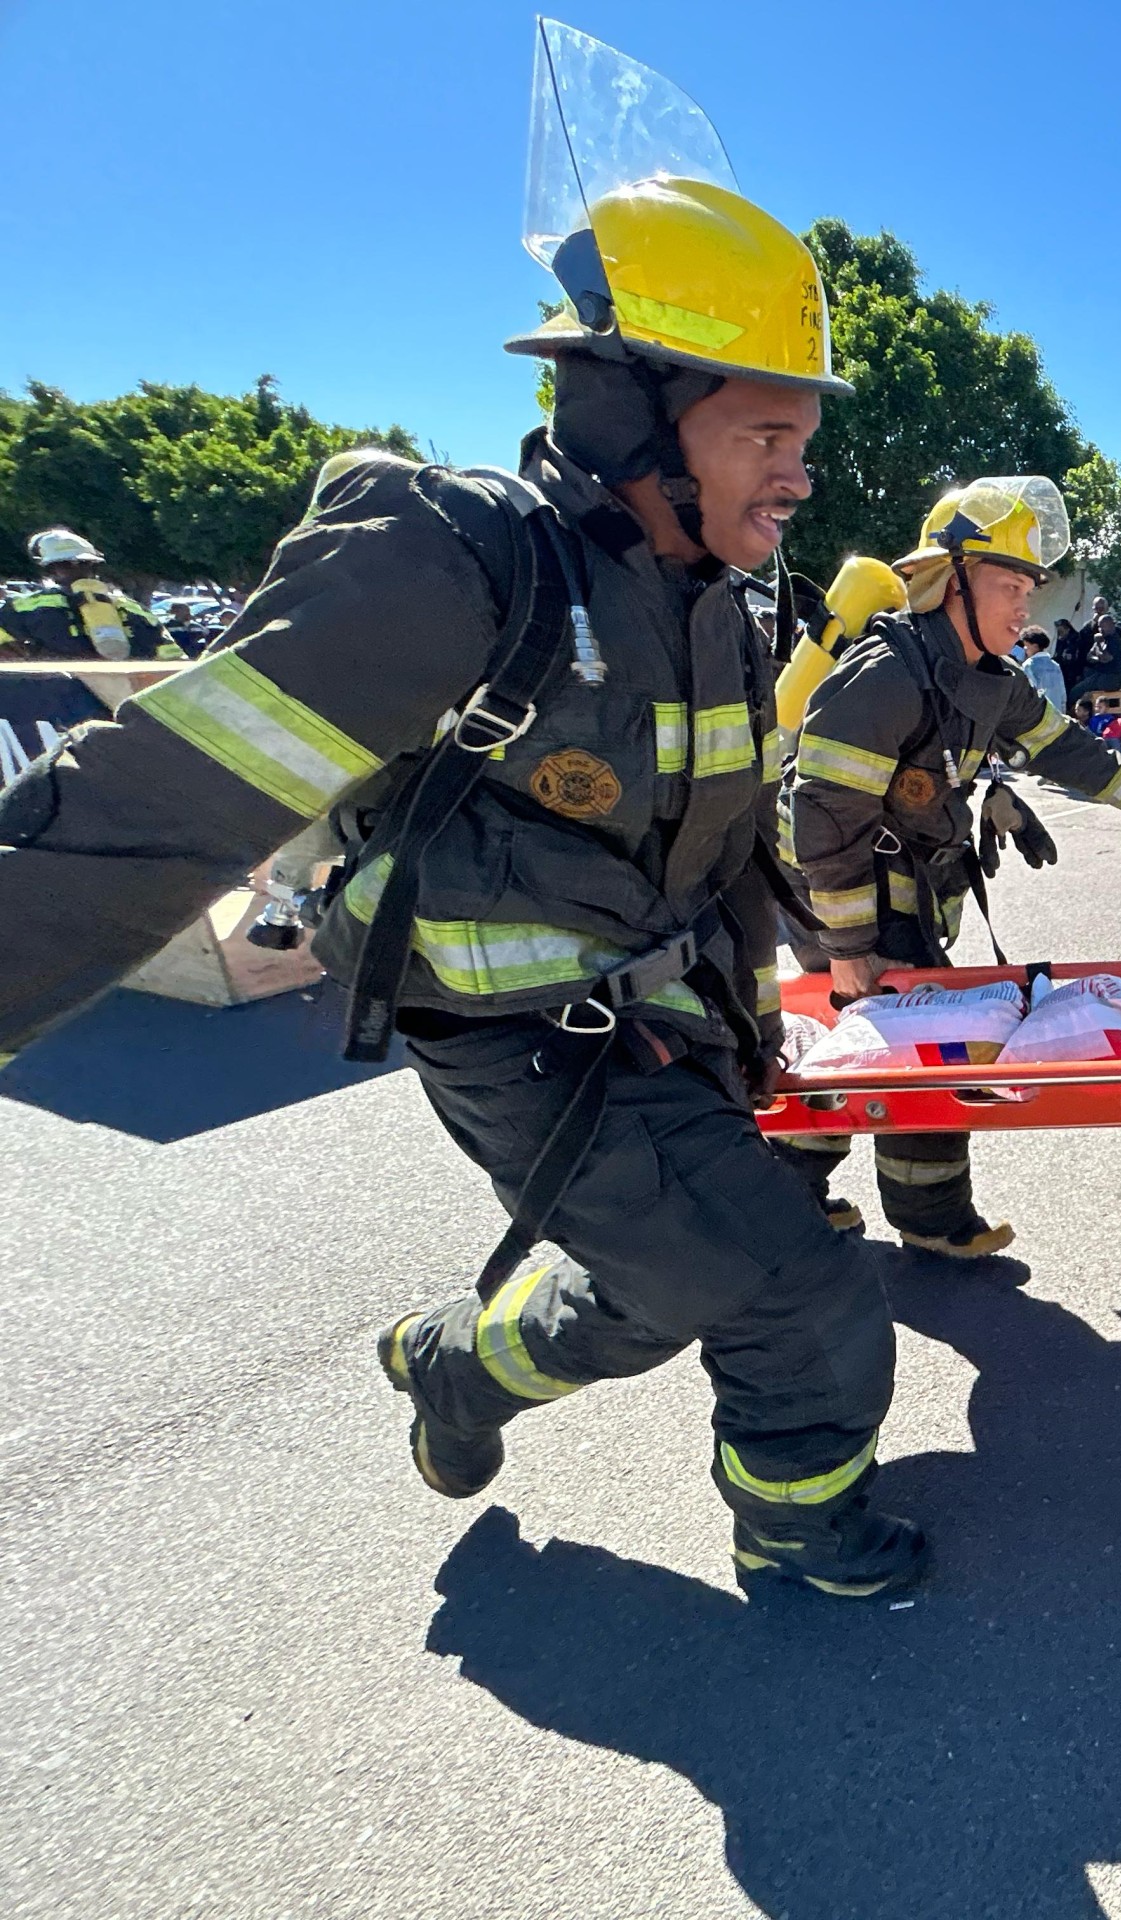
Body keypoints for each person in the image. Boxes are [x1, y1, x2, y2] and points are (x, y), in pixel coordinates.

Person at [0, 78, 935, 1601]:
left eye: (803, 434)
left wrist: (814, 997)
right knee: (798, 1290)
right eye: (769, 428)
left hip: (670, 1025)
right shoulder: (455, 562)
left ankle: (454, 1366)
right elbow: (153, 806)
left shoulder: (713, 599)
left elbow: (721, 850)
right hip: (524, 1047)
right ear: (632, 411)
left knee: (665, 1283)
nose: (802, 469)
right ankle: (799, 1530)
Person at [787, 476, 1121, 1255]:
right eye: (1009, 585)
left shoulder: (989, 680)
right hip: (830, 885)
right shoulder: (886, 673)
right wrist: (846, 948)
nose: (1023, 607)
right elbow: (824, 816)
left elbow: (1058, 742)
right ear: (952, 582)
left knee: (884, 1039)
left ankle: (799, 1194)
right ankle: (910, 1216)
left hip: (894, 880)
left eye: (1027, 588)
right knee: (915, 1037)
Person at [1, 529, 179, 662]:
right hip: (122, 700)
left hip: (54, 701)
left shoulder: (23, 609)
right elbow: (173, 660)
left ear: (50, 569)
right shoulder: (134, 610)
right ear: (93, 566)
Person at [1017, 624, 1068, 709]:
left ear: (1035, 646)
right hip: (1056, 712)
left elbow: (1027, 694)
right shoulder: (1055, 665)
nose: (1025, 649)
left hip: (1038, 712)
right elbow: (1062, 694)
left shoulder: (1029, 665)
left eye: (1027, 646)